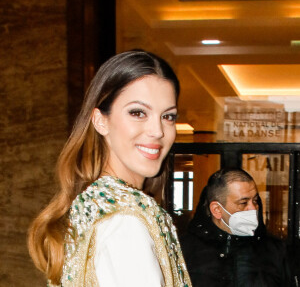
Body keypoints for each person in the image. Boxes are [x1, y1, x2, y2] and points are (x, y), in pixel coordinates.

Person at [28, 50, 191, 287]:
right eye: (138, 113)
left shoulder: (92, 203)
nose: (158, 130)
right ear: (101, 120)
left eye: (168, 116)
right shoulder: (126, 220)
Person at [181, 168, 292, 287]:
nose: (253, 208)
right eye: (243, 203)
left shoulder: (275, 250)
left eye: (255, 201)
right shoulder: (185, 250)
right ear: (217, 210)